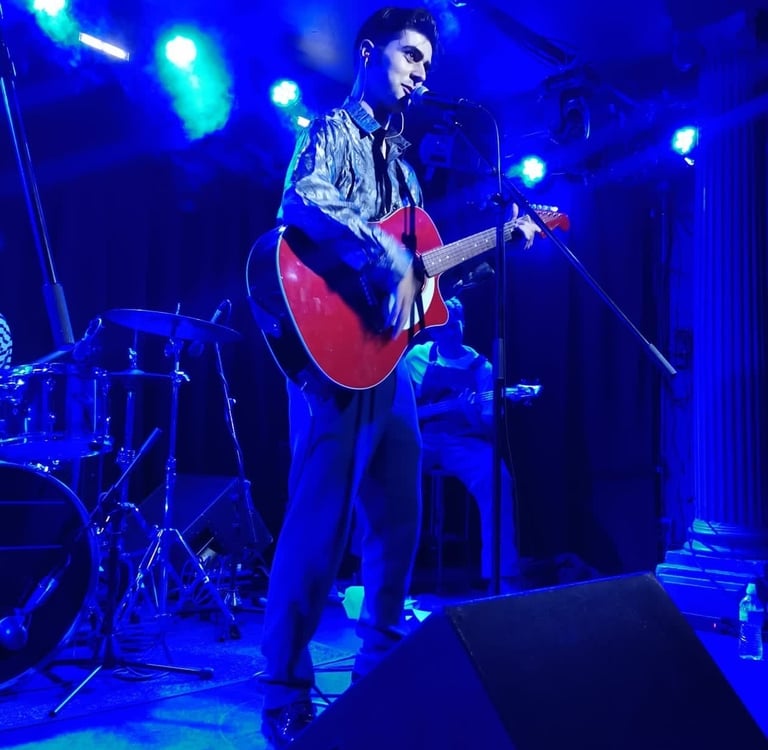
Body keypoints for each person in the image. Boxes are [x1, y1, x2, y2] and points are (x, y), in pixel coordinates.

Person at [257, 7, 538, 747]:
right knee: (318, 531)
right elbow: (304, 201)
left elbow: (422, 283)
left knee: (399, 524)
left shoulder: (408, 170)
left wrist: (499, 242)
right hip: (332, 359)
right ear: (369, 51)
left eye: (427, 63)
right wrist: (387, 258)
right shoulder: (331, 131)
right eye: (411, 55)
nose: (421, 72)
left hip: (387, 366)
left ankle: (377, 669)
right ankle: (284, 692)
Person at [404, 296, 521, 593]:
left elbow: (489, 427)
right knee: (379, 469)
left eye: (456, 324)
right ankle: (372, 573)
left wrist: (470, 414)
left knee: (497, 479)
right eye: (444, 326)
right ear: (433, 330)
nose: (451, 332)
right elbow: (398, 403)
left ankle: (501, 574)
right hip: (422, 439)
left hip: (464, 441)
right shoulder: (417, 357)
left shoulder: (481, 367)